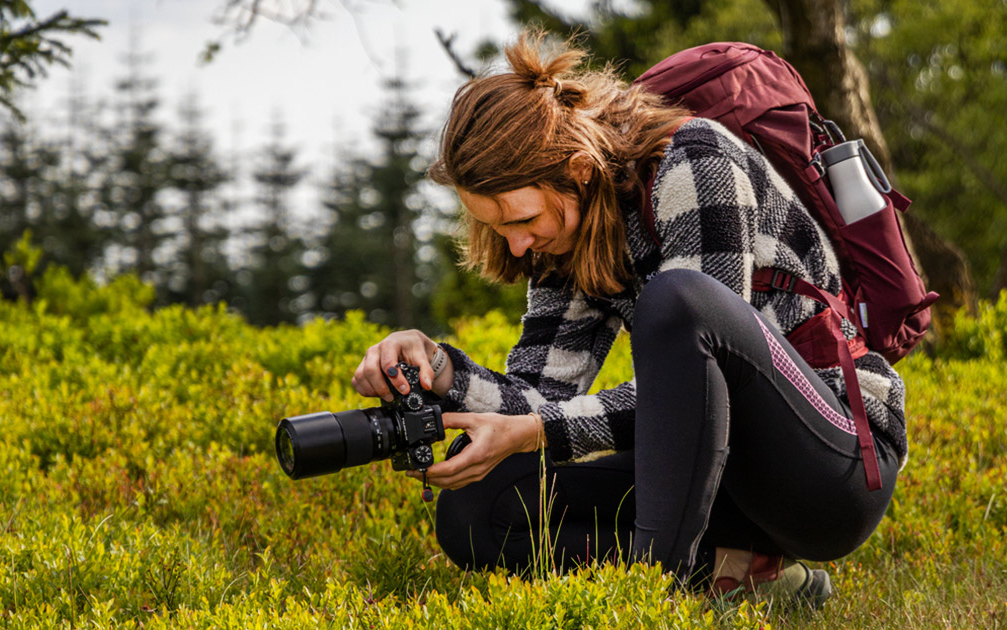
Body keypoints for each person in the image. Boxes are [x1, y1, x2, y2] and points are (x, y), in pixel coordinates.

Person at [351, 32, 904, 606]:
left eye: (522, 218)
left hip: (832, 469)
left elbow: (697, 386)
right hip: (716, 474)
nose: (516, 247)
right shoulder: (567, 235)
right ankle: (748, 576)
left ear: (579, 169)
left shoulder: (696, 160)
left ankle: (652, 600)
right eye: (497, 228)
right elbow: (539, 397)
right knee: (476, 508)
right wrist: (437, 369)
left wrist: (541, 430)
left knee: (681, 300)